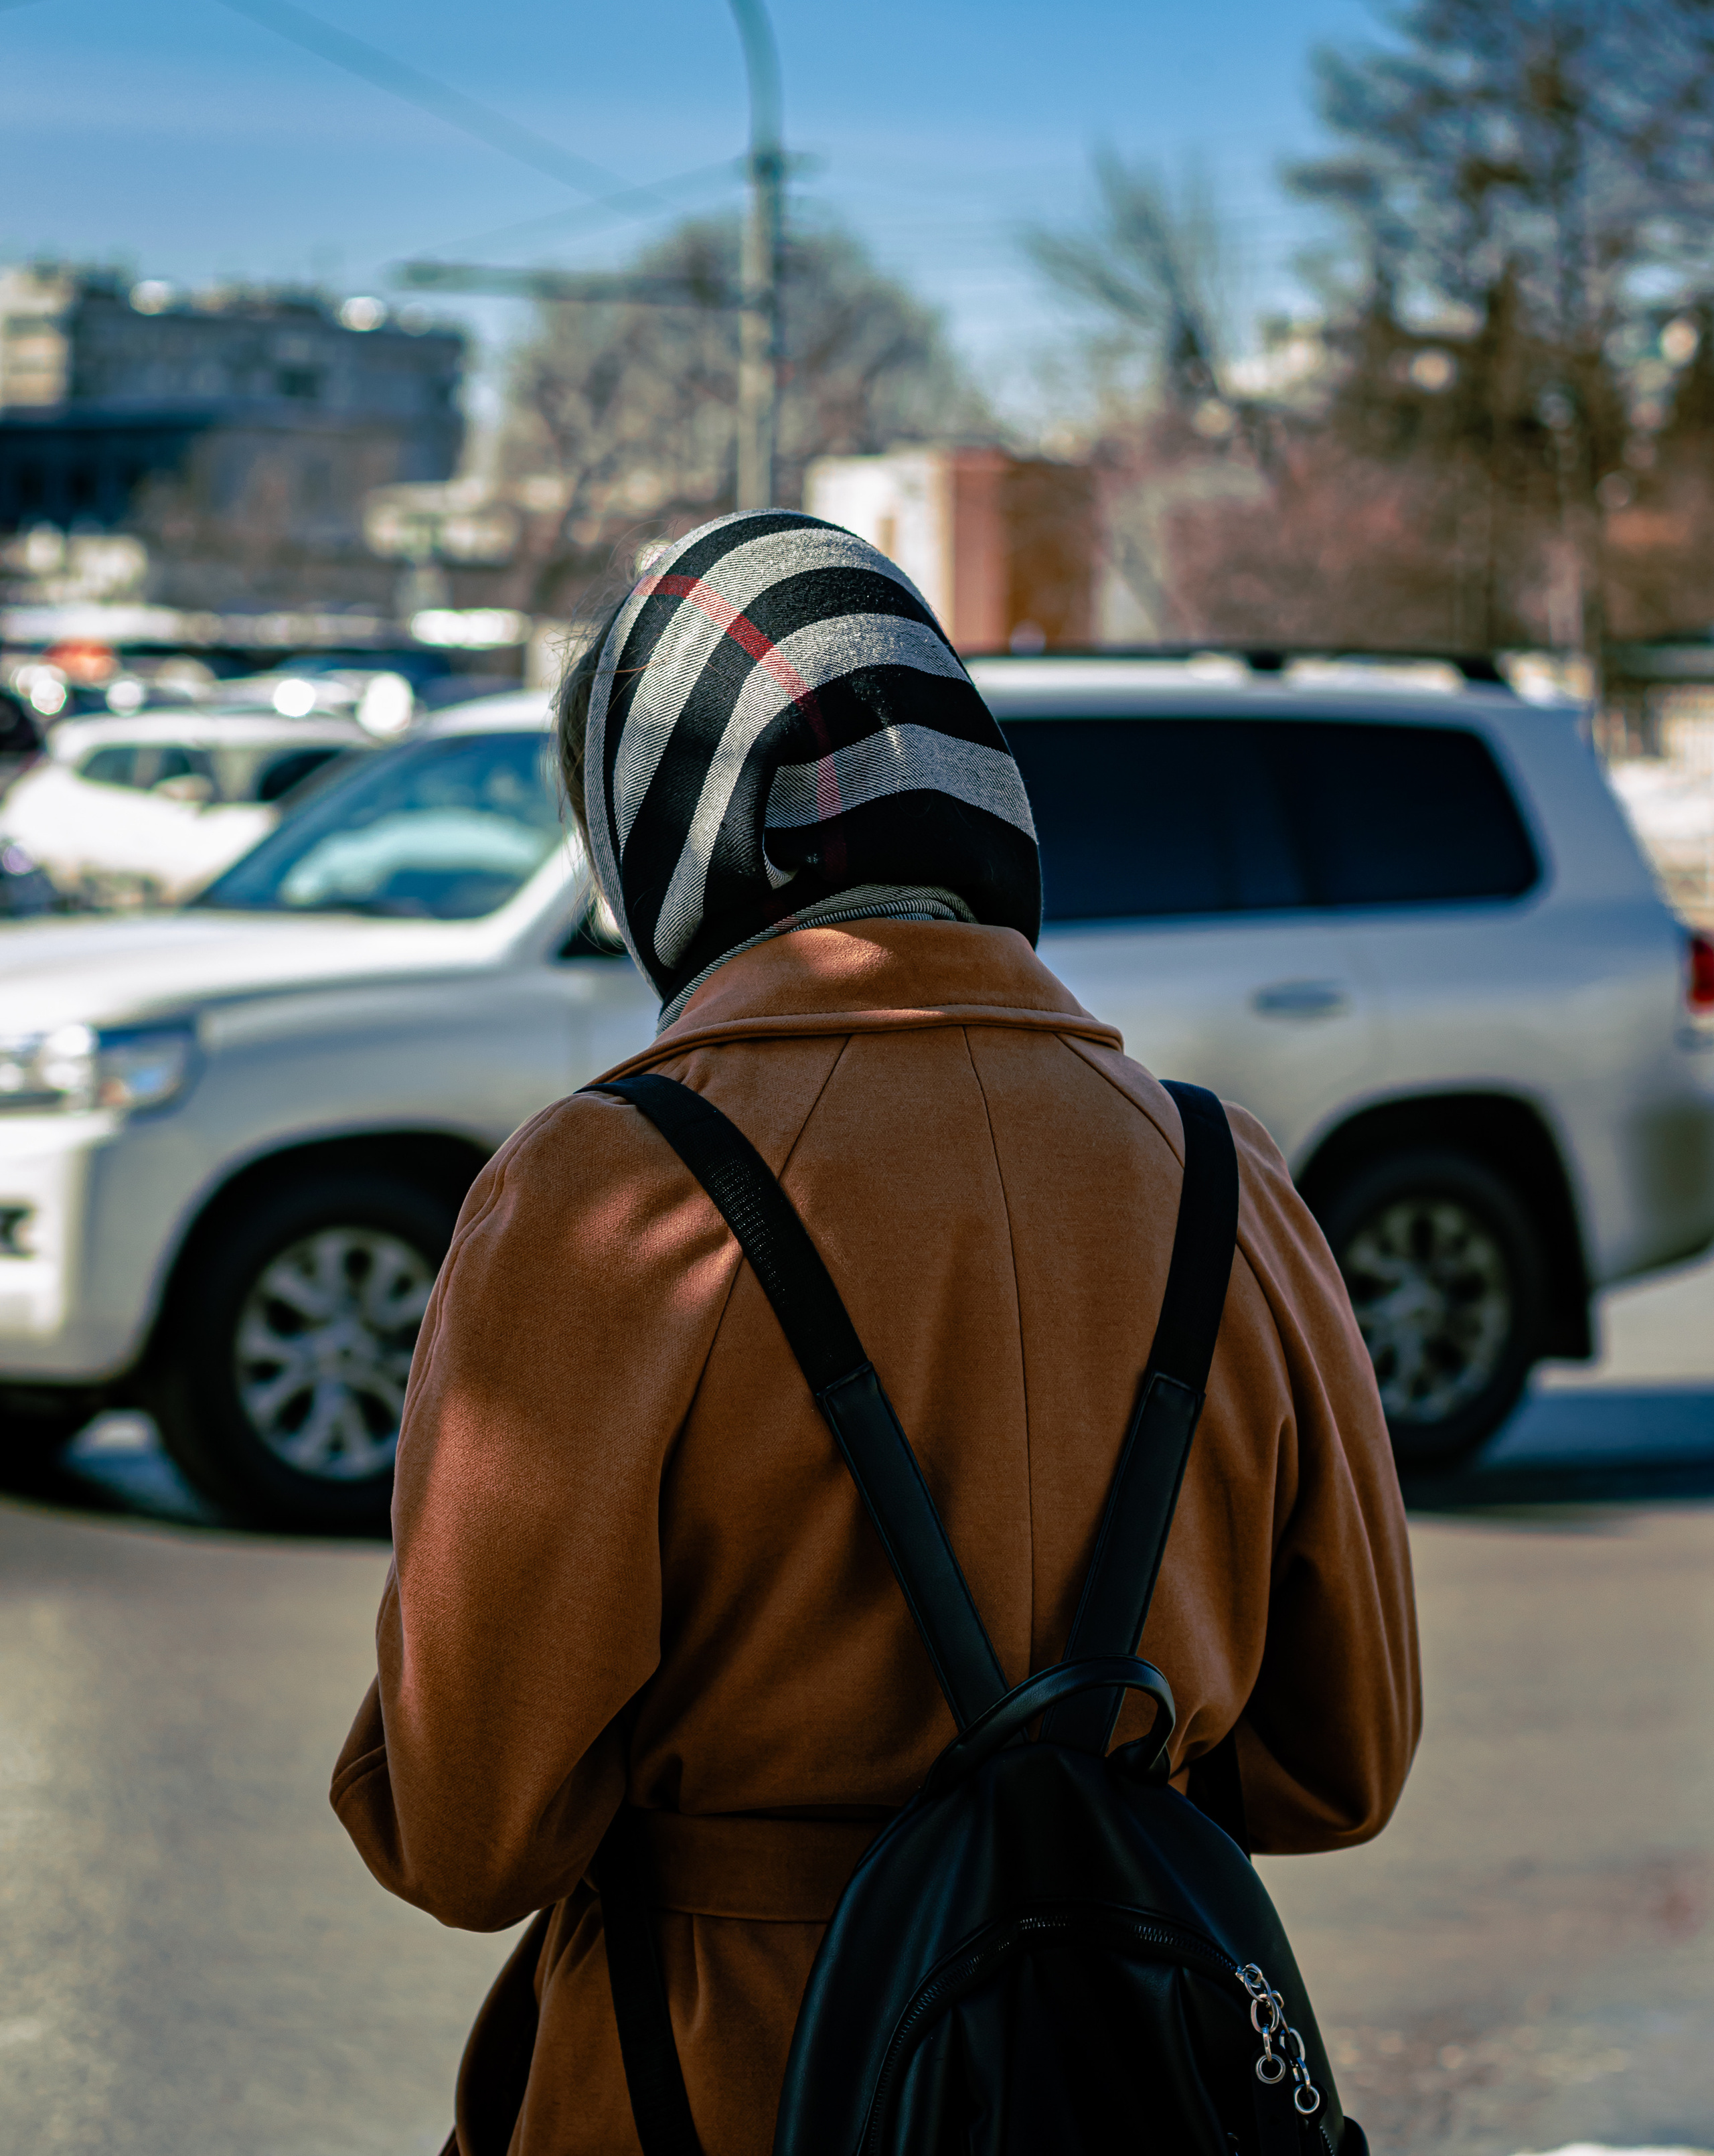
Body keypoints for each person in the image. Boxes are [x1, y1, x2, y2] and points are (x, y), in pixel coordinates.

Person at [331, 510, 1421, 2156]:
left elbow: (466, 1834)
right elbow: (1339, 1768)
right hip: (1129, 2080)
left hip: (713, 2080)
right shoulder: (1216, 1168)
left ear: (665, 837)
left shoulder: (603, 1188)